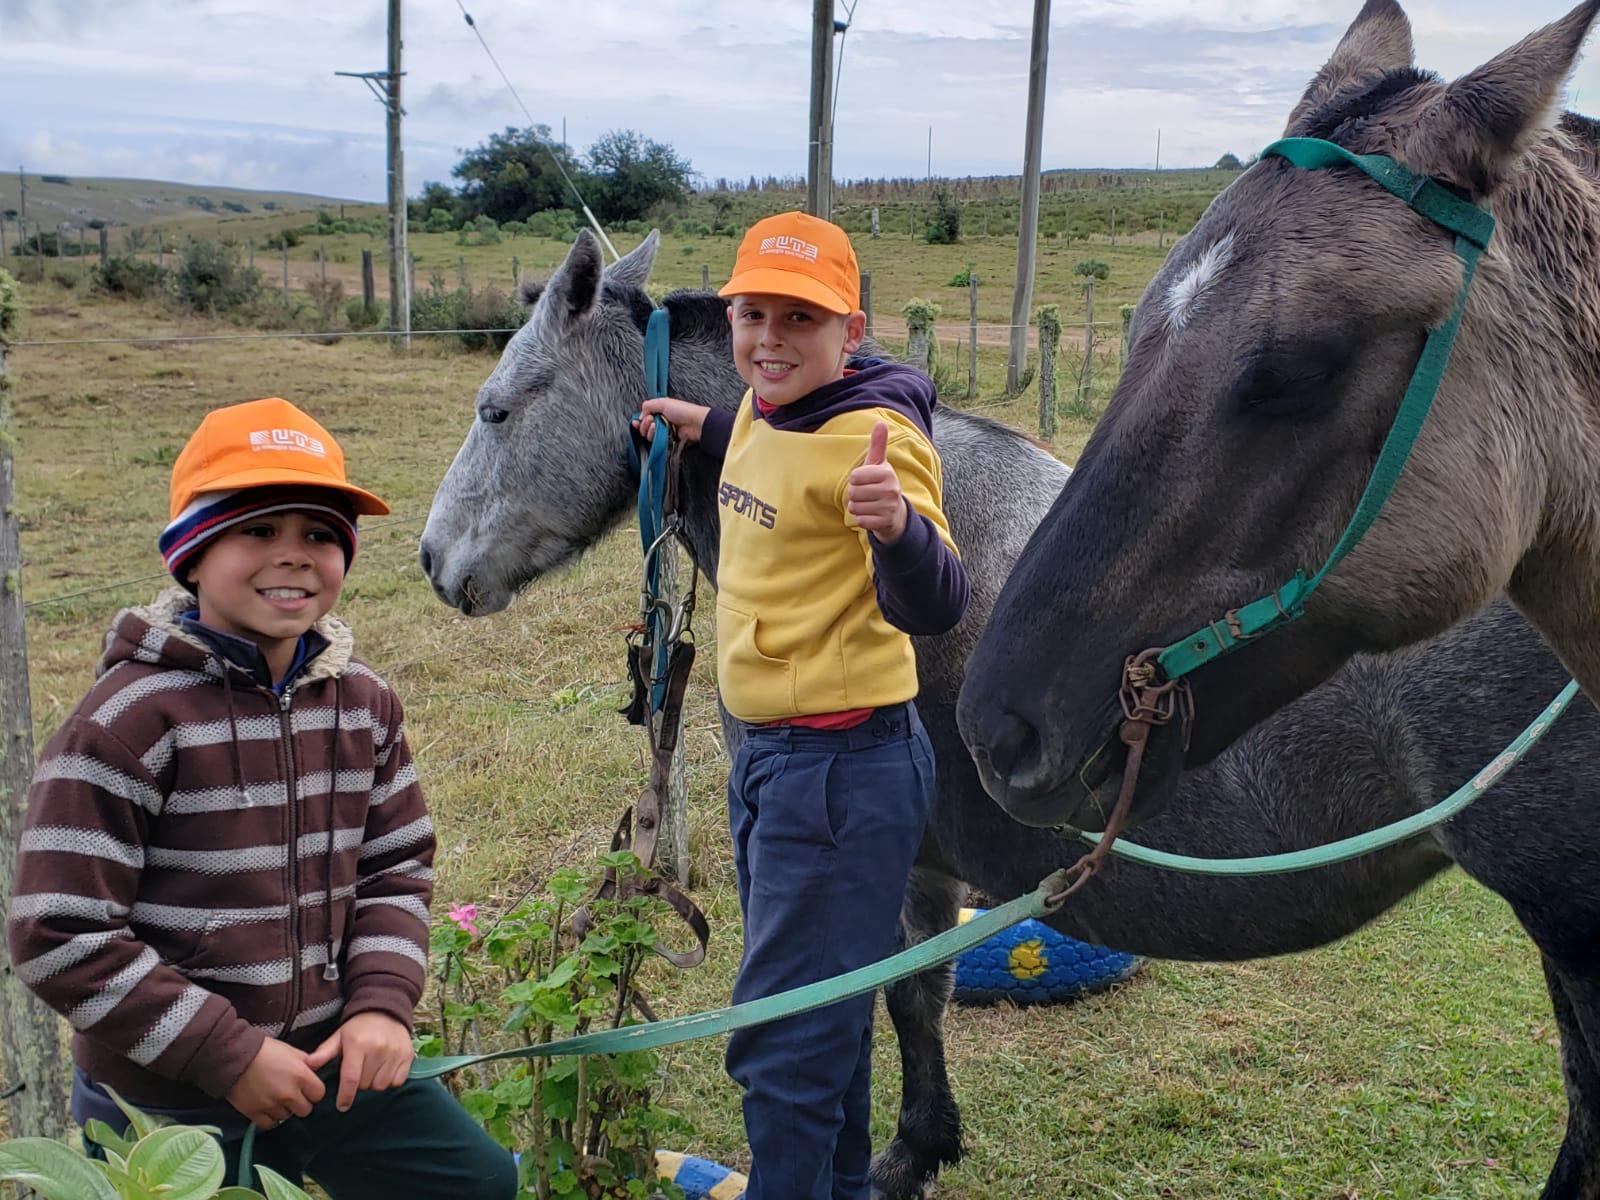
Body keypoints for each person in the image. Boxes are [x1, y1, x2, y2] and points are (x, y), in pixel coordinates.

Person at [6, 397, 516, 1198]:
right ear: (193, 554)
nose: (294, 556)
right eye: (257, 531)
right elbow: (58, 930)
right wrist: (228, 1054)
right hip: (167, 1095)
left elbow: (396, 868)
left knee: (473, 1182)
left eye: (320, 534)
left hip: (331, 1060)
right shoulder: (127, 722)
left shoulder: (362, 705)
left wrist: (381, 1007)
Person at [635, 211, 970, 1200]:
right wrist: (690, 425)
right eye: (753, 313)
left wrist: (898, 529)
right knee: (828, 1009)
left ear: (850, 331)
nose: (770, 339)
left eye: (801, 319)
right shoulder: (759, 411)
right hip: (775, 766)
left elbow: (937, 600)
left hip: (840, 773)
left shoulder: (876, 441)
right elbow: (748, 434)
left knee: (783, 1039)